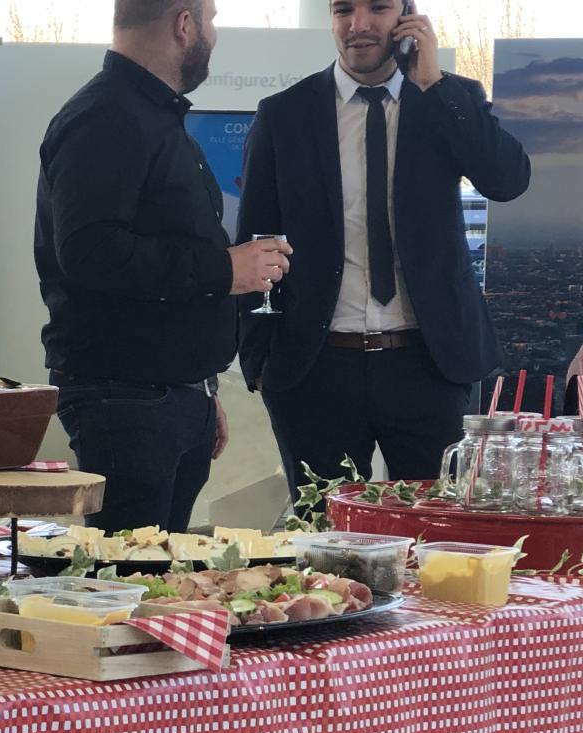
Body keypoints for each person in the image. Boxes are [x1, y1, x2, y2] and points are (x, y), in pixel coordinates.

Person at [237, 0, 530, 491]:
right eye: (342, 9)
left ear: (407, 16)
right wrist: (259, 359)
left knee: (436, 537)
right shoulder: (285, 114)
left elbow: (508, 180)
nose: (358, 25)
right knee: (322, 537)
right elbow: (256, 241)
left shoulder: (446, 98)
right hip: (316, 369)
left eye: (377, 7)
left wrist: (434, 84)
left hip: (429, 364)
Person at [34, 0, 293, 532]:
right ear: (184, 24)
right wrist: (226, 270)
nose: (214, 34)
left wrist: (198, 389)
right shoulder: (107, 115)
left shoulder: (146, 114)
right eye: (212, 19)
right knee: (133, 589)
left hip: (160, 397)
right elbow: (89, 251)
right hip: (127, 403)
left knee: (158, 581)